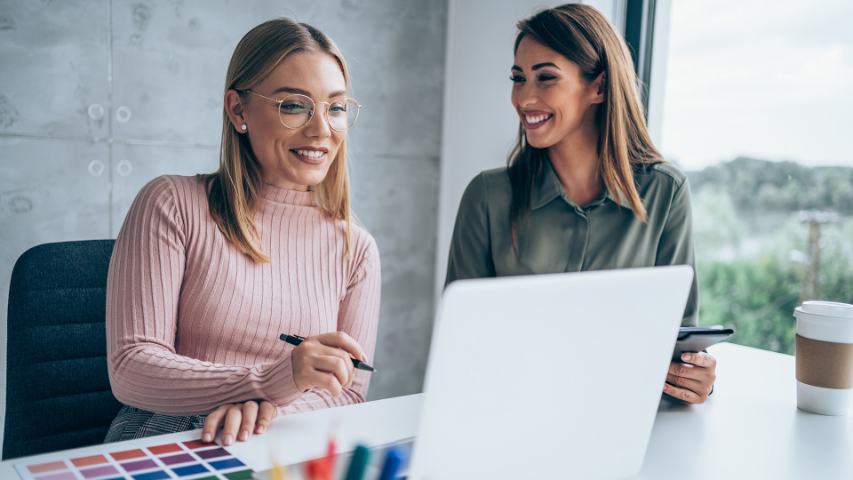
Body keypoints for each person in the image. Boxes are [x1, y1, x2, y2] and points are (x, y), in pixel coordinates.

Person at [104, 18, 381, 445]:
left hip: (282, 443)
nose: (321, 129)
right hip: (168, 436)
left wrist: (261, 411)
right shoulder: (171, 203)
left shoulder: (355, 248)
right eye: (294, 105)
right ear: (238, 110)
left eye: (336, 107)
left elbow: (347, 392)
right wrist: (268, 382)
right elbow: (132, 366)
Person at [445, 4, 716, 404]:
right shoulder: (486, 197)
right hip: (511, 414)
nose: (525, 97)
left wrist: (696, 377)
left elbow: (678, 339)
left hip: (626, 422)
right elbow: (461, 345)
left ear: (600, 87)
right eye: (518, 78)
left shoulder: (665, 192)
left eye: (546, 78)